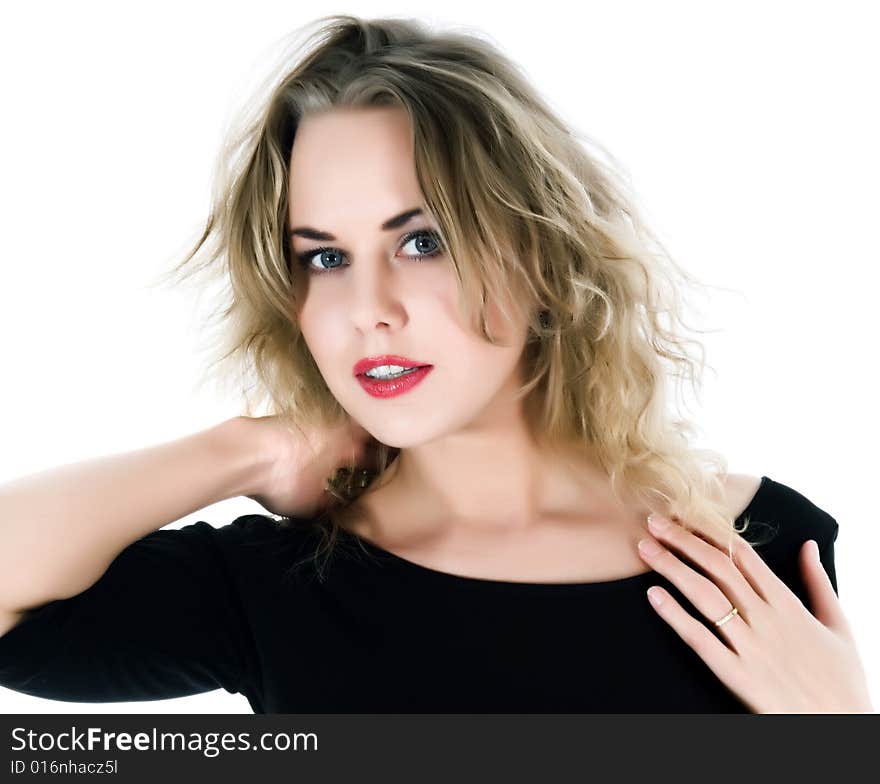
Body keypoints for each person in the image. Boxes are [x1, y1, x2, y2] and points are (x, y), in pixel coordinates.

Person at [0, 14, 872, 714]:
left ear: (542, 252)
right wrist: (245, 452)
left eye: (422, 241)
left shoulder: (751, 552)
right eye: (325, 258)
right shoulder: (279, 585)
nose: (368, 309)